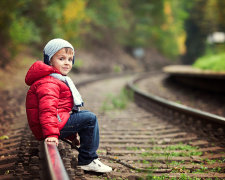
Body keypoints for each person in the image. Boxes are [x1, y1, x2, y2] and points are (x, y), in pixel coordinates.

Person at [25, 38, 112, 173]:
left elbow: (60, 111)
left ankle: (87, 157)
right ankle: (88, 160)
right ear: (49, 60)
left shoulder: (54, 79)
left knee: (83, 116)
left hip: (52, 124)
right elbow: (48, 111)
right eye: (61, 59)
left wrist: (71, 135)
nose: (67, 63)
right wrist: (52, 134)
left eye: (70, 59)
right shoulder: (50, 83)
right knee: (90, 118)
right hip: (47, 128)